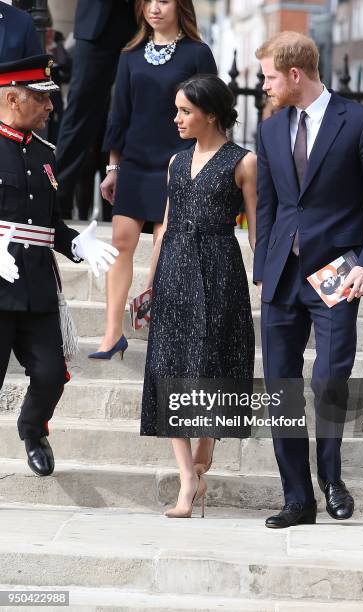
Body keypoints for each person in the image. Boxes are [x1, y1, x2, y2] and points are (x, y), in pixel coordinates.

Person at [254, 31, 363, 528]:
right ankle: (298, 499)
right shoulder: (271, 129)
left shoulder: (358, 121)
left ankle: (331, 477)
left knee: (329, 379)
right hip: (281, 276)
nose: (264, 84)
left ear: (296, 74)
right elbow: (268, 206)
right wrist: (263, 265)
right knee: (282, 388)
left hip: (337, 270)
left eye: (270, 75)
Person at [140, 74, 256, 518]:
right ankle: (188, 480)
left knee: (215, 362)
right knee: (168, 367)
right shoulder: (175, 161)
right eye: (176, 110)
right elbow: (164, 226)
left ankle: (206, 450)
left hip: (220, 268)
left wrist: (267, 276)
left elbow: (256, 227)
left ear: (211, 114)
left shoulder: (243, 162)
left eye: (185, 111)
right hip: (173, 270)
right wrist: (149, 283)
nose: (177, 118)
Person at [0, 55, 119, 477]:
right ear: (13, 98)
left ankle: (33, 428)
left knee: (52, 374)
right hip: (0, 286)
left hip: (36, 285)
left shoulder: (45, 154)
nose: (51, 107)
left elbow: (48, 223)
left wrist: (77, 244)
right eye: (42, 98)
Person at [89, 0, 217, 360]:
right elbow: (120, 113)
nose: (154, 8)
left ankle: (153, 315)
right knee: (120, 242)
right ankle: (113, 333)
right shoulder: (130, 54)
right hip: (135, 161)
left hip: (177, 162)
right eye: (148, 1)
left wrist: (201, 164)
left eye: (163, 0)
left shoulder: (198, 53)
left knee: (165, 244)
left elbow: (211, 112)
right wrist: (113, 167)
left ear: (181, 6)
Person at [55, 0, 137, 218]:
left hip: (141, 19)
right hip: (96, 22)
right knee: (79, 112)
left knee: (139, 109)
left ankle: (137, 204)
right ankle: (57, 199)